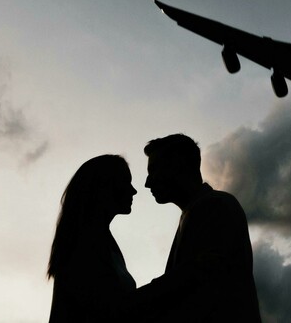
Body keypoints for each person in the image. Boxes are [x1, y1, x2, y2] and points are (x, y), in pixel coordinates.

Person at [137, 134, 261, 322]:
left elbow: (196, 284)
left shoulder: (215, 206)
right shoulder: (200, 210)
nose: (148, 182)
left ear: (177, 165)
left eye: (154, 170)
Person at [48, 154, 139, 322]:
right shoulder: (84, 247)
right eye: (126, 182)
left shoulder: (102, 240)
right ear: (105, 187)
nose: (133, 190)